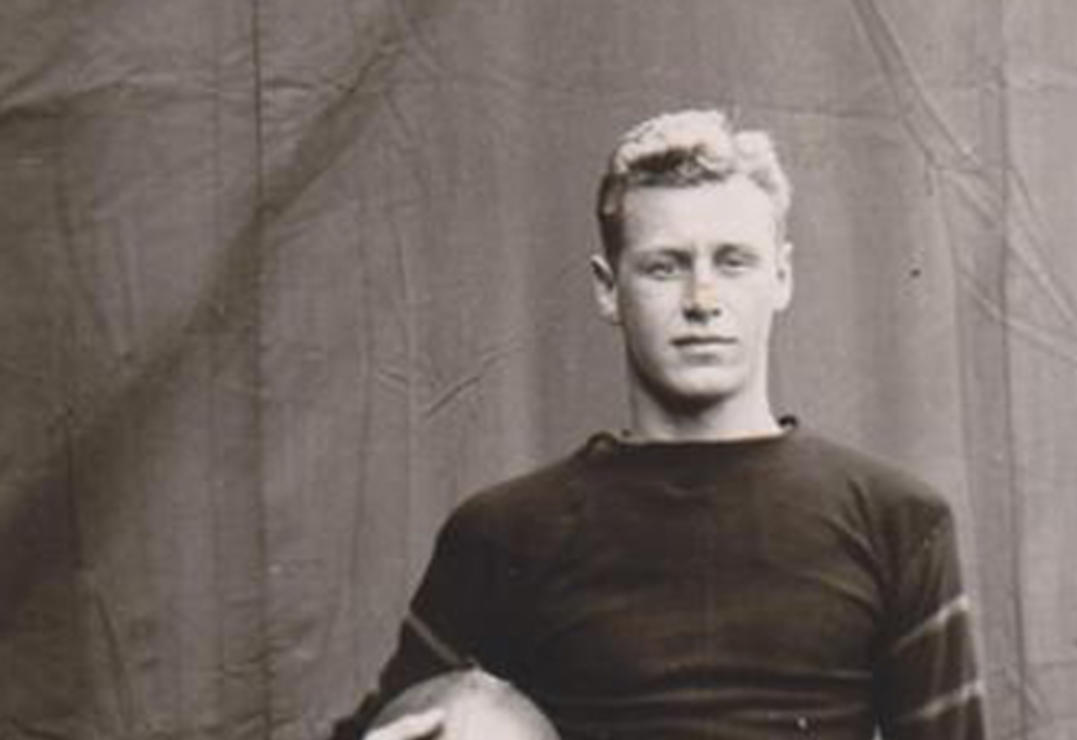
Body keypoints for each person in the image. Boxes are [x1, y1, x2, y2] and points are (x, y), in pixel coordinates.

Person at [332, 110, 985, 740]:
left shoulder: (899, 523)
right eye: (664, 267)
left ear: (781, 276)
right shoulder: (503, 535)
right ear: (607, 288)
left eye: (733, 261)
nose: (702, 301)